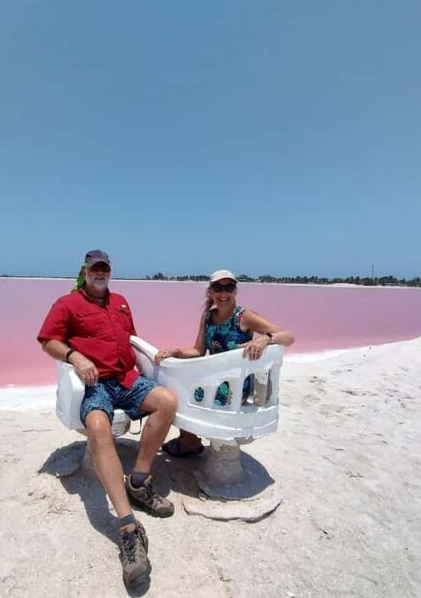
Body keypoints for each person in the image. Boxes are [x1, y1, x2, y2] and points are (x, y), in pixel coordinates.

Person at [37, 249, 177, 592]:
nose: (100, 273)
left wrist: (152, 354)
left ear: (110, 271)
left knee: (166, 401)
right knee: (98, 426)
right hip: (94, 383)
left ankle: (139, 480)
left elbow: (128, 338)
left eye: (105, 268)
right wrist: (74, 356)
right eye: (94, 268)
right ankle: (128, 526)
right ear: (84, 272)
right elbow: (47, 341)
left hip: (126, 380)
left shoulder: (122, 301)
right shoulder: (67, 304)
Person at [154, 269, 295, 457]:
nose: (223, 294)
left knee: (181, 393)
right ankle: (189, 440)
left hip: (235, 388)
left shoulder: (244, 317)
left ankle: (188, 441)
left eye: (229, 288)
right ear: (210, 292)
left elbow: (288, 336)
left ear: (235, 291)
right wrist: (176, 352)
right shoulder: (208, 317)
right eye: (218, 288)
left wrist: (265, 339)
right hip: (214, 381)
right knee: (174, 389)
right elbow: (198, 350)